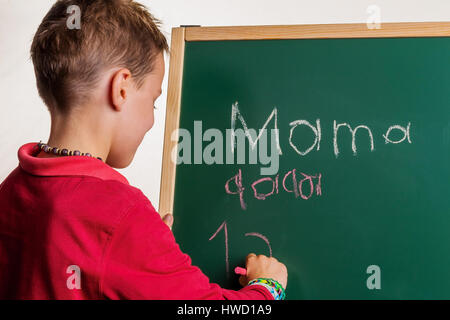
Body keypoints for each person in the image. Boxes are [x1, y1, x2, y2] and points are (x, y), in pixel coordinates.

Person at [0, 0, 287, 300]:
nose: (151, 119)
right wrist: (268, 288)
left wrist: (144, 255)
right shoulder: (119, 215)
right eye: (152, 100)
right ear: (121, 88)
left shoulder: (10, 190)